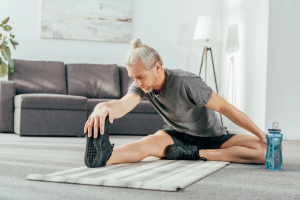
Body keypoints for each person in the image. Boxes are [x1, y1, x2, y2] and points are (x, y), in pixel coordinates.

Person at [84, 38, 281, 166]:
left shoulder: (186, 82)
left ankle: (197, 153)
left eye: (141, 77)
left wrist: (260, 134)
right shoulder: (142, 86)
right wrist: (103, 107)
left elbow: (226, 108)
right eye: (133, 77)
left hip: (211, 137)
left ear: (157, 67)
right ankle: (105, 156)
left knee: (265, 152)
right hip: (176, 136)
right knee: (149, 143)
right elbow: (123, 104)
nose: (137, 83)